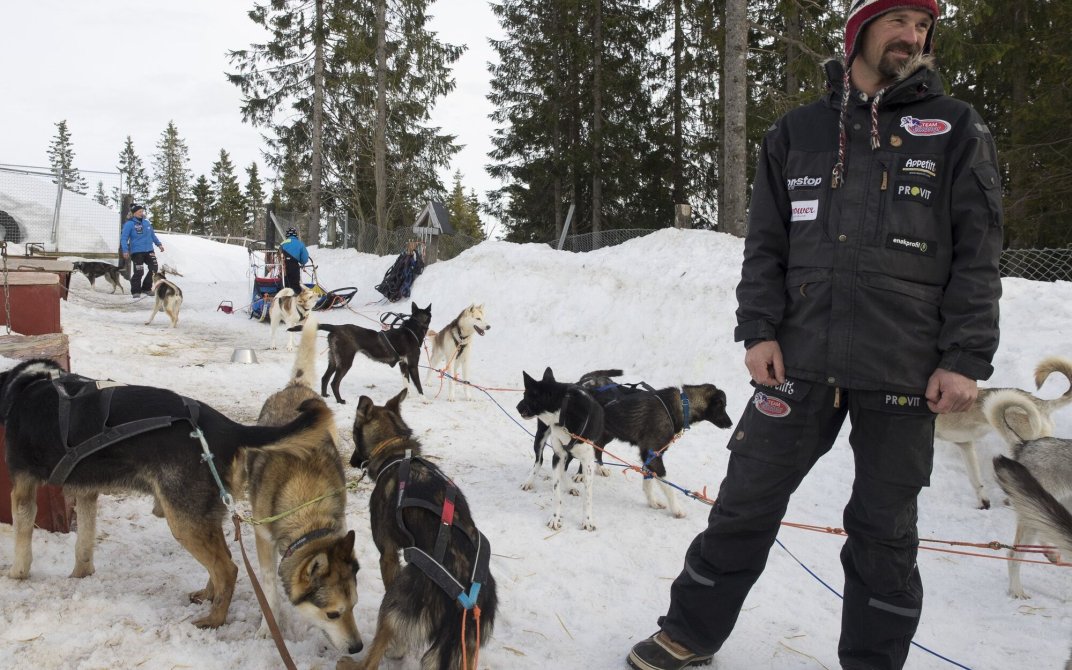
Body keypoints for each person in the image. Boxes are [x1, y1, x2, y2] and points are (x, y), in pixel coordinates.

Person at [628, 2, 1003, 669]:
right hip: (796, 360)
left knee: (884, 533)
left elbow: (978, 253)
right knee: (743, 503)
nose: (913, 37)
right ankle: (689, 633)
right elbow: (766, 246)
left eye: (923, 26)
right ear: (859, 29)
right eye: (899, 21)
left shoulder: (953, 128)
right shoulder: (797, 131)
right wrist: (758, 330)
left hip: (904, 365)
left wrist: (965, 356)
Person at [120, 203, 165, 298]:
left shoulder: (146, 222)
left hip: (149, 250)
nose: (142, 213)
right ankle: (136, 291)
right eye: (140, 211)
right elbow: (124, 238)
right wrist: (125, 250)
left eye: (142, 211)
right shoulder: (129, 224)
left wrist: (159, 244)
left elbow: (152, 235)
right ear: (134, 213)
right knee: (139, 272)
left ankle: (146, 288)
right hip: (137, 252)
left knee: (154, 269)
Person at [279, 226, 311, 292]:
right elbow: (304, 259)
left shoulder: (282, 244)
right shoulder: (300, 244)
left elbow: (279, 256)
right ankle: (296, 298)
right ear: (296, 235)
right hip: (294, 267)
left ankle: (284, 298)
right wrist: (302, 262)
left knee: (285, 285)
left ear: (287, 235)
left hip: (283, 268)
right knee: (295, 286)